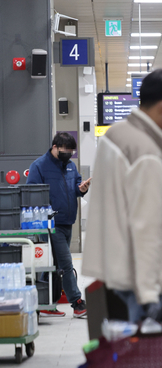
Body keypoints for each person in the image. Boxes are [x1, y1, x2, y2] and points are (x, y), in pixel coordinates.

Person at [82, 69, 162, 322]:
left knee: (123, 350)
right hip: (143, 282)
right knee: (146, 353)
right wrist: (149, 295)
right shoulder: (146, 152)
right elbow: (146, 227)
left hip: (117, 270)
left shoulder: (115, 135)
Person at [27, 132, 90, 318]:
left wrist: (81, 189)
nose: (68, 154)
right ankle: (77, 303)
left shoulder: (70, 166)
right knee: (66, 263)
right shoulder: (39, 166)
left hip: (68, 221)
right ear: (54, 147)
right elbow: (32, 193)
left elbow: (76, 185)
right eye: (65, 151)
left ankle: (46, 302)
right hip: (50, 224)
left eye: (71, 151)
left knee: (54, 265)